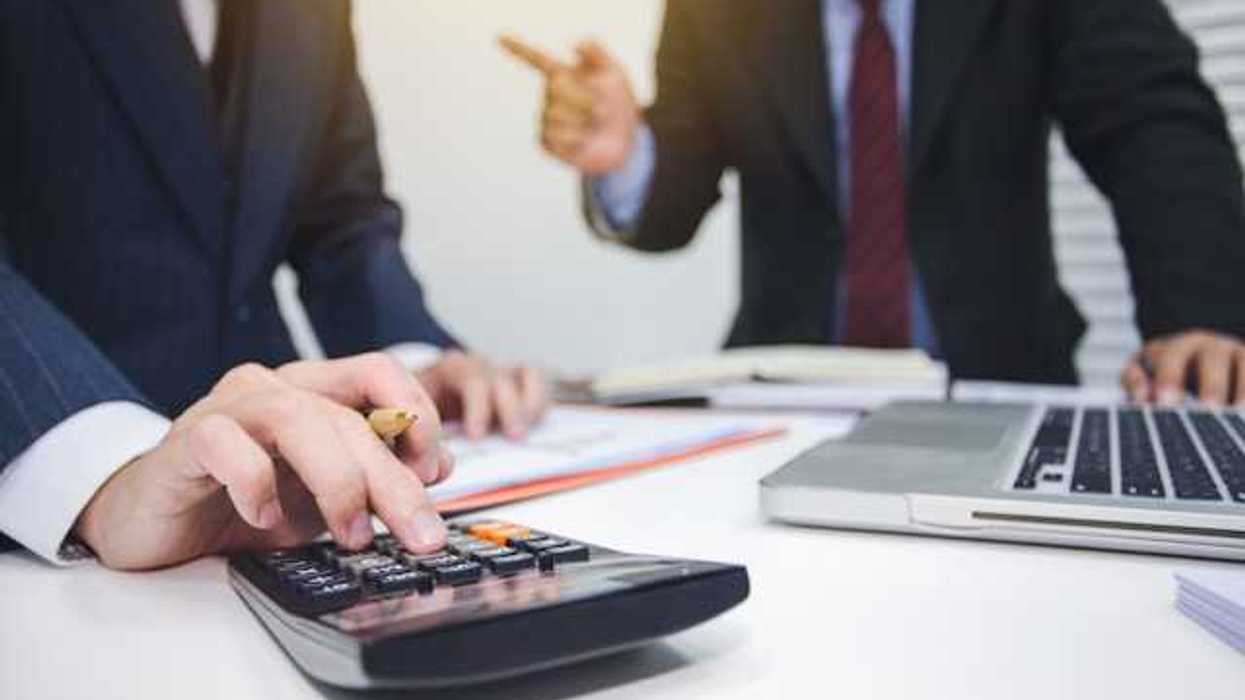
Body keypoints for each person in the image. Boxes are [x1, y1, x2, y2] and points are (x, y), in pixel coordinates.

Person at [0, 1, 547, 568]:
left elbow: (340, 216)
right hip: (50, 523)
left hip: (284, 507)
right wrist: (102, 472)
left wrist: (410, 368)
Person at [502, 0, 1245, 404]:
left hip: (1000, 383)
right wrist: (626, 153)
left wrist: (1199, 316)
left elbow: (1149, 120)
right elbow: (677, 196)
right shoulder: (715, 11)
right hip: (782, 399)